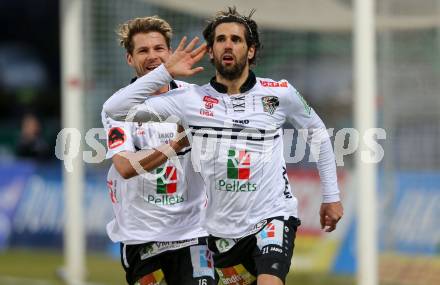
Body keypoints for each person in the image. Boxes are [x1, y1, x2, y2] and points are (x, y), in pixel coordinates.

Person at [103, 8, 343, 285]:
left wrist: (331, 195)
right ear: (211, 52)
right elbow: (114, 108)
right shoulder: (189, 100)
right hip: (220, 229)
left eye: (236, 40)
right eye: (220, 40)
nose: (228, 45)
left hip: (272, 215)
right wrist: (165, 71)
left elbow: (318, 134)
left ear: (251, 51)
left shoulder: (278, 93)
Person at [101, 16, 214, 285]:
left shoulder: (195, 98)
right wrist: (175, 145)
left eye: (159, 49)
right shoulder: (119, 108)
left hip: (193, 232)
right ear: (130, 59)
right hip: (142, 237)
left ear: (171, 52)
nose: (152, 56)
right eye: (143, 50)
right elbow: (125, 167)